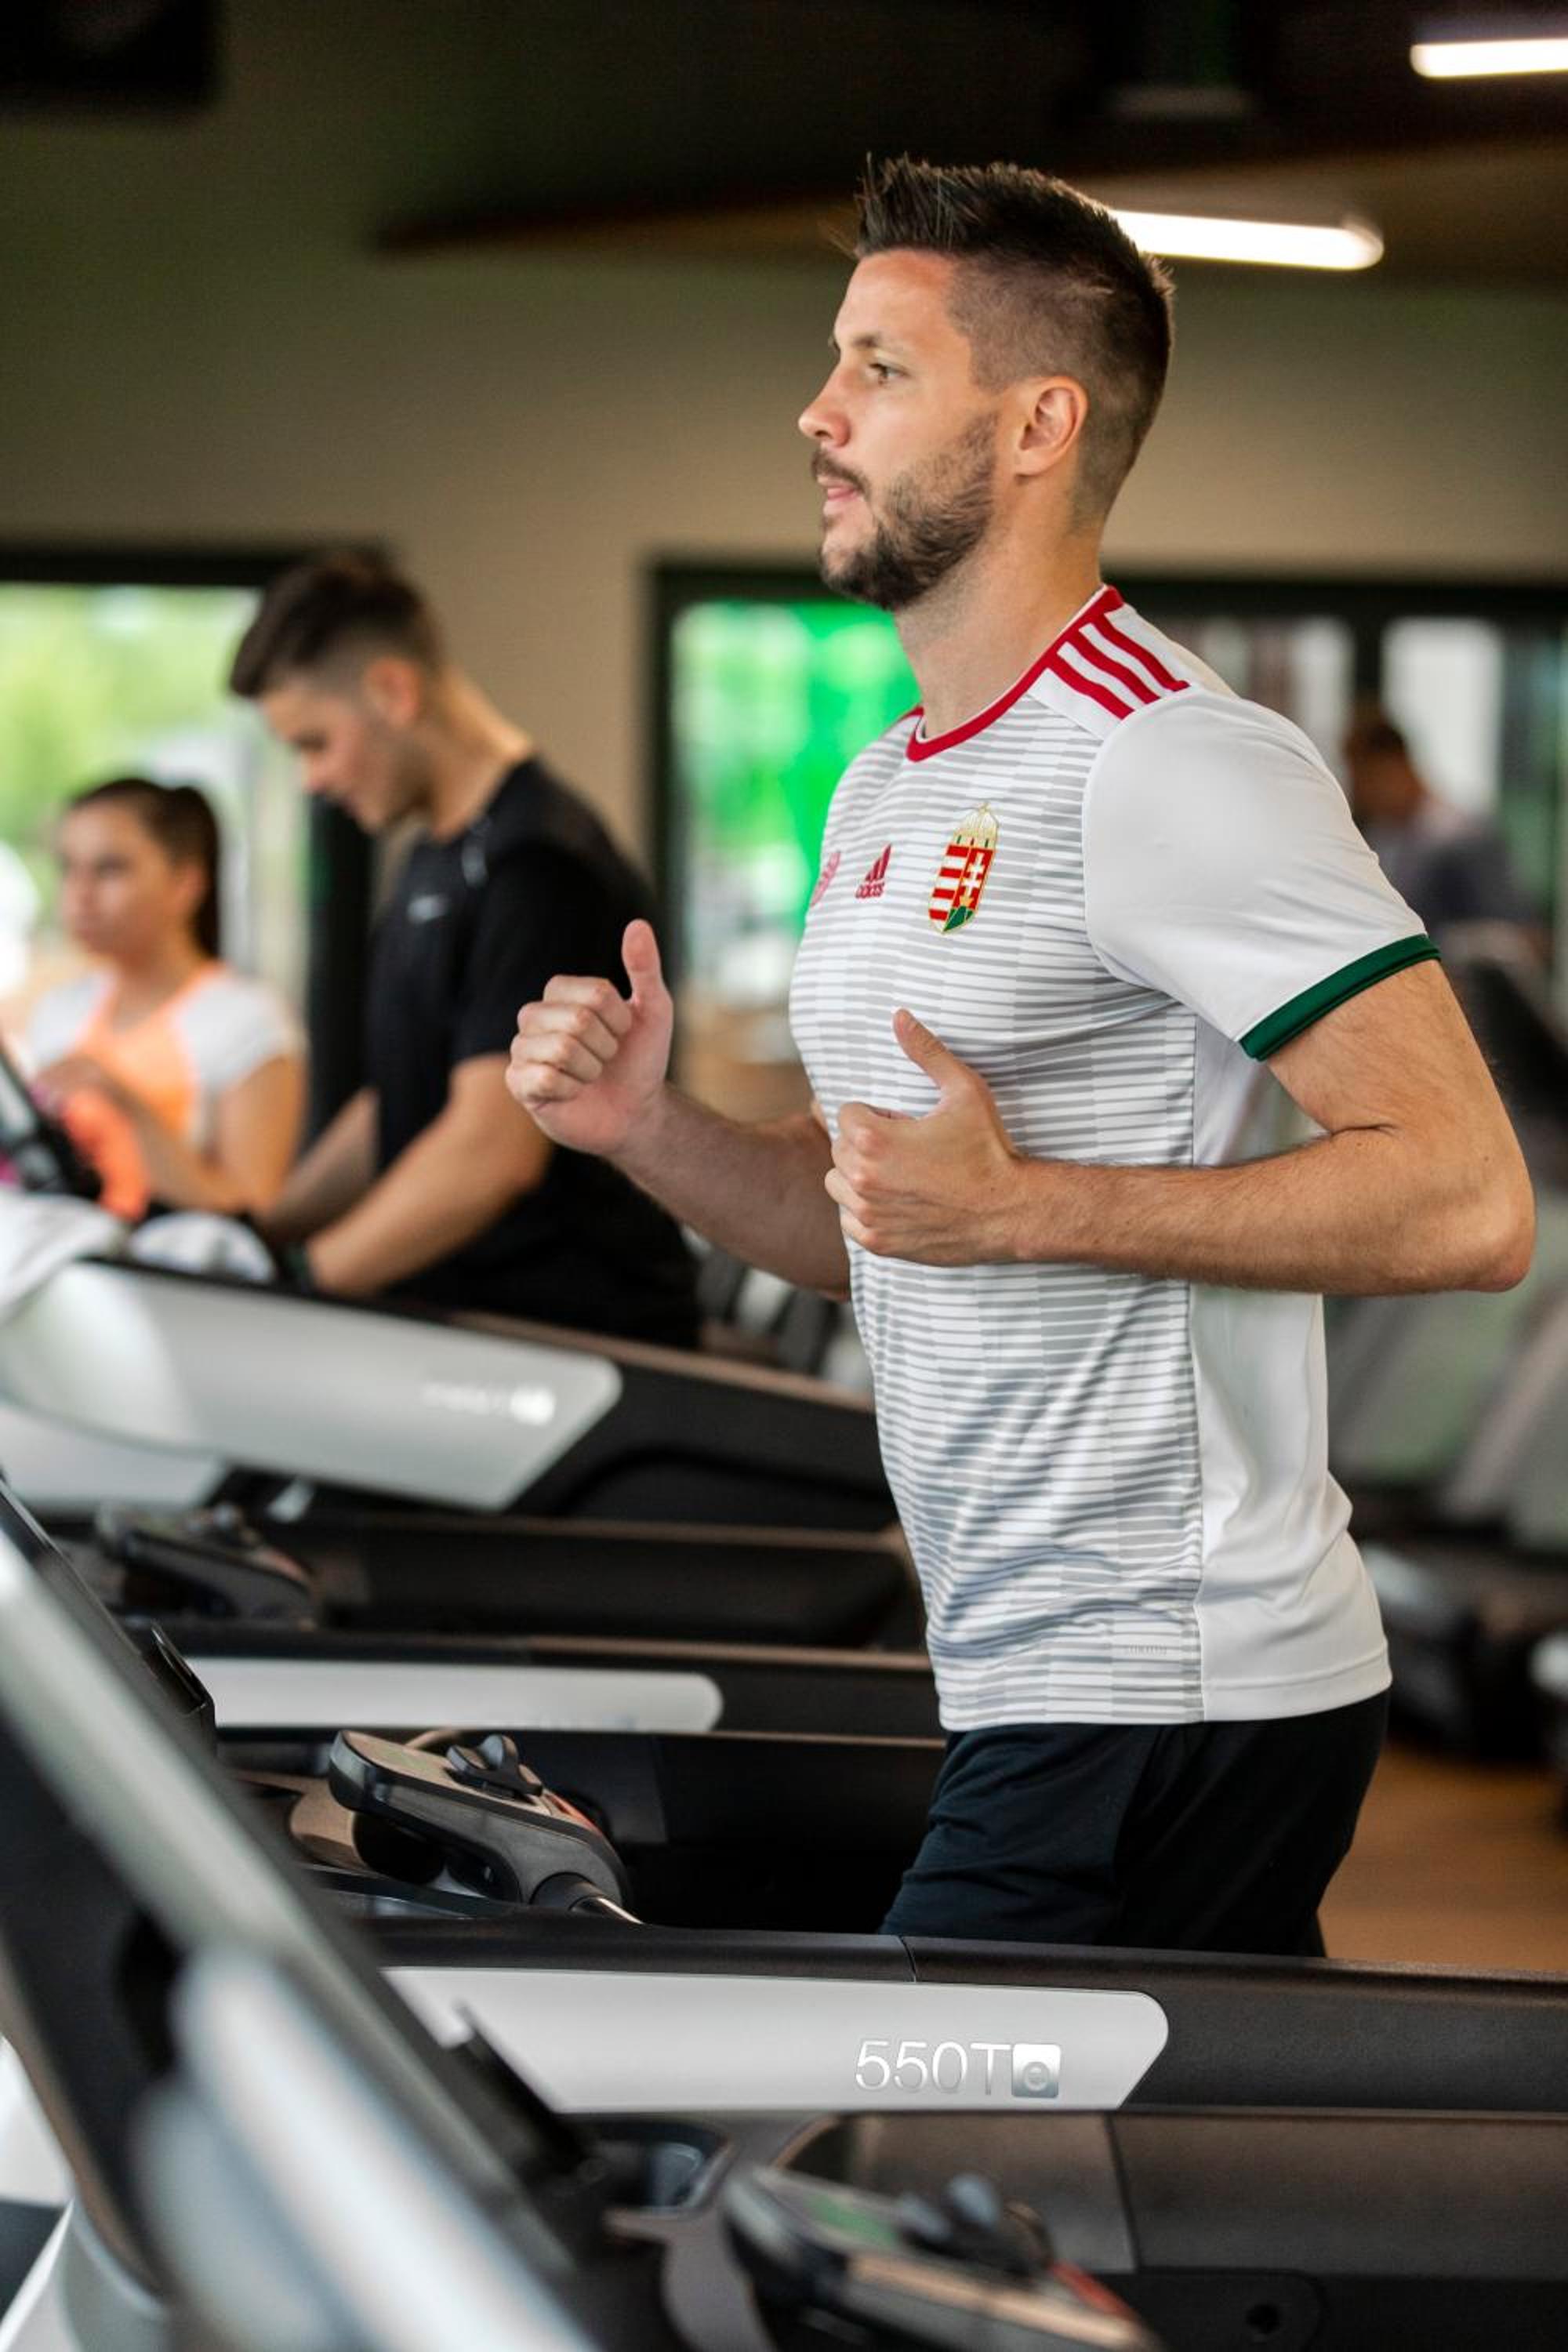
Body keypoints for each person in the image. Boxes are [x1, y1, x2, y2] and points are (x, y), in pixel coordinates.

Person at [509, 157, 1535, 1956]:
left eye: (878, 369)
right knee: (1088, 2135)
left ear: (1038, 423)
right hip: (1013, 1653)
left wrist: (1025, 1207)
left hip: (1173, 1668)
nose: (815, 413)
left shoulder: (1170, 759)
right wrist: (644, 1128)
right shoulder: (884, 783)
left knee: (915, 2120)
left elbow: (1465, 1199)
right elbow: (883, 1223)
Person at [229, 554, 699, 1345]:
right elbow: (398, 1102)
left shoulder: (538, 865)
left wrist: (299, 1288)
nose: (311, 779)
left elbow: (489, 1152)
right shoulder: (434, 860)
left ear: (393, 692)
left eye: (315, 743)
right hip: (465, 1328)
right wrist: (261, 1239)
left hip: (570, 1344)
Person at [24, 777, 303, 1221]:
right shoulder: (58, 1012)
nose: (80, 894)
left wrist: (124, 1103)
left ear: (185, 883)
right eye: (69, 868)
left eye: (110, 869)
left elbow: (252, 1214)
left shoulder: (247, 1020)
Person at [1342, 706, 1542, 945]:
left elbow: (1514, 931)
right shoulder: (1380, 837)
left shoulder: (1464, 837)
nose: (1359, 793)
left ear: (1393, 766)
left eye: (1364, 779)